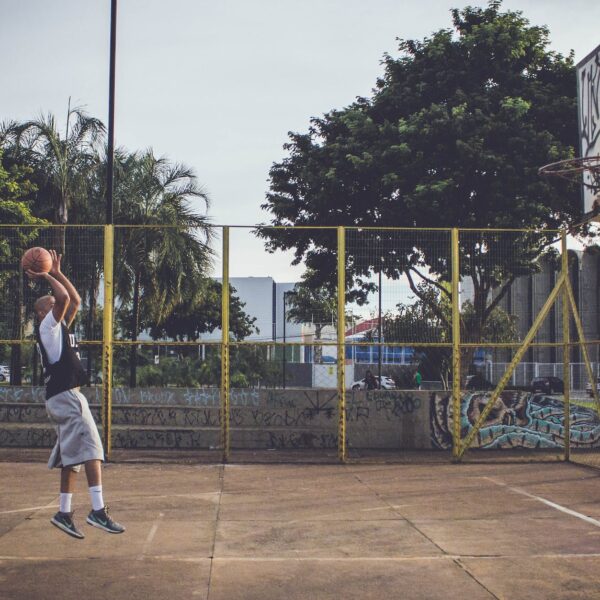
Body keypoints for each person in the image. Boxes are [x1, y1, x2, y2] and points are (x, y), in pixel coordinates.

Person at [28, 250, 125, 539]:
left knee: (73, 459)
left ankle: (64, 513)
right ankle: (97, 511)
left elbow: (75, 299)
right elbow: (65, 299)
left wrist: (57, 272)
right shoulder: (47, 327)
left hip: (60, 397)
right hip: (67, 397)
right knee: (93, 449)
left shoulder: (59, 327)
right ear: (44, 312)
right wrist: (45, 274)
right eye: (51, 301)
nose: (56, 300)